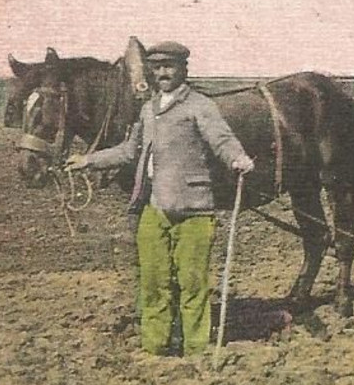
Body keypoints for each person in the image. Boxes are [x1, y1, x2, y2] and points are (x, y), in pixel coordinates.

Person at [67, 41, 254, 357]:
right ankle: (155, 346)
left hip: (194, 211)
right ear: (151, 72)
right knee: (154, 283)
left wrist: (237, 158)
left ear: (184, 69)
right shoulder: (149, 109)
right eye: (157, 68)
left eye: (170, 67)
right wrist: (88, 160)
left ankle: (197, 348)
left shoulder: (199, 106)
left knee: (193, 286)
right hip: (155, 210)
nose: (163, 73)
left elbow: (222, 139)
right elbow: (129, 151)